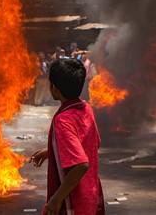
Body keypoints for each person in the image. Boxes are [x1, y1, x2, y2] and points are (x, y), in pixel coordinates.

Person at [29, 58, 105, 215]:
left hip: (72, 202)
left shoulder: (63, 120)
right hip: (90, 194)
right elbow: (93, 144)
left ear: (55, 88)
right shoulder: (85, 108)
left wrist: (56, 199)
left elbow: (81, 164)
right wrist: (53, 150)